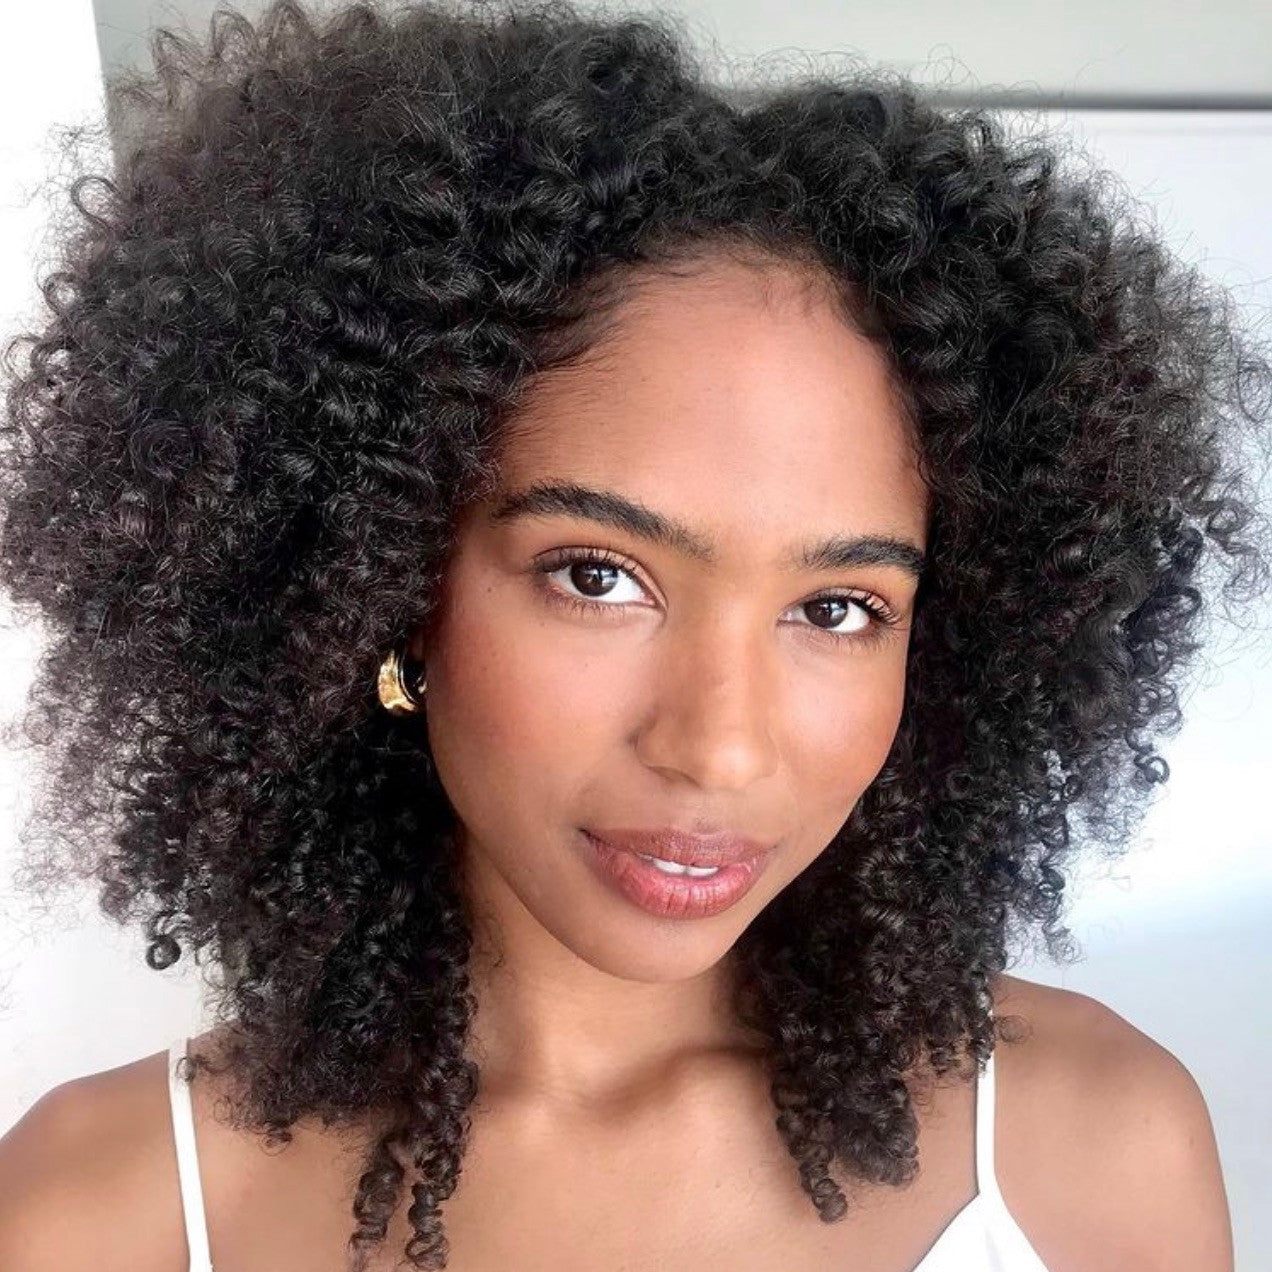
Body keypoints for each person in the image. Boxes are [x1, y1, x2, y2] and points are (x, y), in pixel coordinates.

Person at [0, 0, 1265, 1268]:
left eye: (837, 608)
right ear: (382, 579)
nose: (719, 748)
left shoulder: (1090, 1146)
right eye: (599, 577)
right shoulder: (94, 1216)